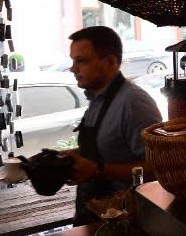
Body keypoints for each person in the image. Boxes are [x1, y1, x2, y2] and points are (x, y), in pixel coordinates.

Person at [64, 26, 162, 225]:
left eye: (81, 61)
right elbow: (109, 148)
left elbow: (158, 167)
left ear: (110, 62)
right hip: (94, 217)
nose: (73, 68)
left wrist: (96, 170)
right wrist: (73, 157)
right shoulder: (98, 98)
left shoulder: (134, 103)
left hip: (125, 226)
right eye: (73, 61)